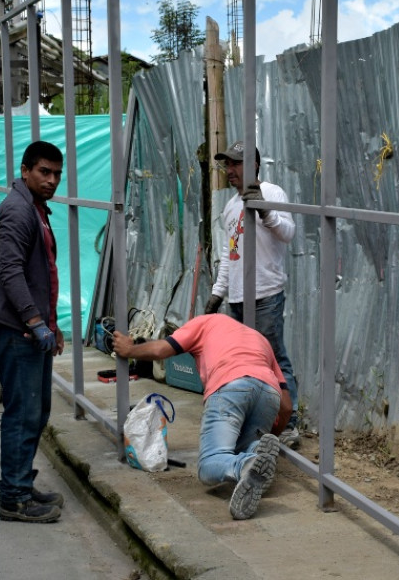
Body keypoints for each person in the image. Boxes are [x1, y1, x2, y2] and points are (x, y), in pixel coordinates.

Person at [112, 313, 291, 520]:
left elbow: (162, 349)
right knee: (241, 448)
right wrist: (272, 435)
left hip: (230, 386)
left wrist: (130, 349)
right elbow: (286, 407)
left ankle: (247, 464)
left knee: (209, 464)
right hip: (269, 393)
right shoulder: (258, 338)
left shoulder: (203, 323)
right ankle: (256, 452)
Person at [0, 140, 66, 524]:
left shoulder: (34, 208)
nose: (51, 180)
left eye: (57, 174)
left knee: (36, 412)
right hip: (17, 332)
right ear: (26, 171)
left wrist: (52, 324)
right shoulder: (17, 211)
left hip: (30, 329)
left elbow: (41, 273)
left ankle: (20, 482)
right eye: (44, 172)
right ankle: (13, 498)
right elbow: (11, 271)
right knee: (22, 414)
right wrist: (34, 321)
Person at [204, 140, 301, 448]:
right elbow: (228, 251)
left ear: (254, 165)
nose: (230, 171)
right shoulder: (230, 206)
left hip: (265, 293)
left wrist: (264, 211)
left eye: (235, 164)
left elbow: (288, 233)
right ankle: (255, 419)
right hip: (236, 298)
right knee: (241, 362)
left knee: (274, 357)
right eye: (227, 165)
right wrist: (218, 292)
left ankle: (290, 422)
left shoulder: (271, 193)